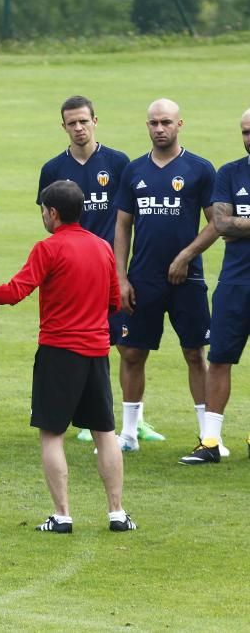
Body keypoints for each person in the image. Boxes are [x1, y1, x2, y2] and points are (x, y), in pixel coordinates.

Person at [0, 180, 136, 533]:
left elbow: (15, 292)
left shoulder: (48, 249)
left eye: (43, 210)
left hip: (59, 352)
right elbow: (113, 301)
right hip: (96, 353)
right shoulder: (103, 248)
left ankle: (62, 516)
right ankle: (117, 513)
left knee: (52, 434)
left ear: (53, 213)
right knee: (105, 432)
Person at [114, 99, 220, 454]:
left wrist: (186, 256)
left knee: (195, 353)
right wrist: (121, 277)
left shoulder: (199, 169)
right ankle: (128, 433)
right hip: (142, 279)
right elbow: (123, 225)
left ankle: (209, 437)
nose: (159, 129)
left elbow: (216, 222)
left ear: (180, 125)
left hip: (186, 279)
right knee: (131, 353)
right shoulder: (133, 171)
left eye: (166, 122)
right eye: (153, 123)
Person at [37, 96, 141, 443]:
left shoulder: (118, 163)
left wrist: (122, 272)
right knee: (78, 348)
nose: (79, 128)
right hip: (73, 272)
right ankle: (86, 420)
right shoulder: (53, 169)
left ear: (95, 120)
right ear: (63, 126)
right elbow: (48, 221)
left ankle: (131, 422)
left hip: (110, 268)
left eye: (84, 121)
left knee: (127, 347)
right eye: (72, 123)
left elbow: (127, 218)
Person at [179, 108, 250, 464]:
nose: (249, 138)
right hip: (235, 282)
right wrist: (235, 222)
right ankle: (210, 441)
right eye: (245, 132)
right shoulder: (230, 172)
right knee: (220, 356)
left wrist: (243, 221)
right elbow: (221, 223)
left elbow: (234, 222)